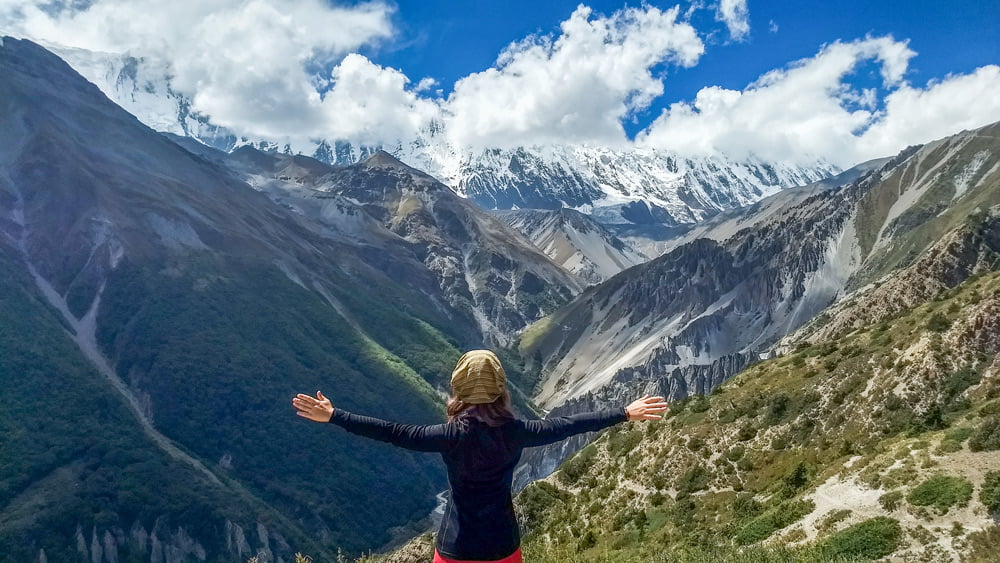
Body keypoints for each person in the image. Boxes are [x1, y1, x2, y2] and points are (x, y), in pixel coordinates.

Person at [292, 349, 669, 563]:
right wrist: (623, 412)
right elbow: (568, 424)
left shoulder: (449, 436)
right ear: (501, 391)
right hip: (503, 547)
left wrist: (335, 416)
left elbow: (393, 433)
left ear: (458, 391)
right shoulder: (518, 432)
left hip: (456, 548)